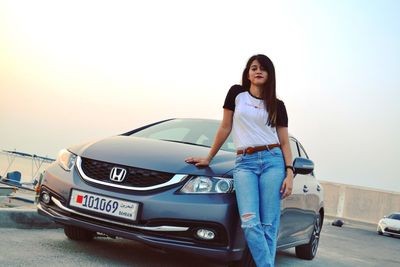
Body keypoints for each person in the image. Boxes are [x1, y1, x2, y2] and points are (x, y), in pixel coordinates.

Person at [185, 54, 293, 267]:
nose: (258, 71)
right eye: (253, 68)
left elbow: (284, 142)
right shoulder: (237, 94)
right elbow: (225, 127)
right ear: (248, 73)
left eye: (263, 68)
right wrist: (209, 157)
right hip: (245, 163)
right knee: (250, 222)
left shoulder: (277, 105)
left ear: (270, 74)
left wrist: (289, 172)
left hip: (273, 161)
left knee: (269, 224)